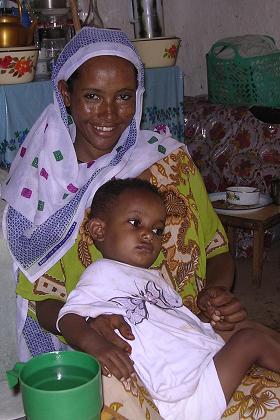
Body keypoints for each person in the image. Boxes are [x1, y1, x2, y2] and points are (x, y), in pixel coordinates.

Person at [1, 26, 262, 418]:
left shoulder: (169, 160)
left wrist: (216, 295)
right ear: (65, 96)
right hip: (112, 349)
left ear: (137, 97)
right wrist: (90, 329)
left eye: (123, 97)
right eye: (92, 96)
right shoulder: (47, 186)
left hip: (190, 335)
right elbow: (41, 300)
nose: (109, 114)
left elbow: (215, 249)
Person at [57, 177, 280, 420]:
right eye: (135, 223)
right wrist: (95, 344)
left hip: (198, 363)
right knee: (250, 340)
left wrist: (209, 314)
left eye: (157, 230)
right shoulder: (101, 273)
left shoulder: (155, 277)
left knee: (242, 327)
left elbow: (179, 324)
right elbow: (69, 317)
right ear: (99, 229)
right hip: (184, 396)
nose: (148, 235)